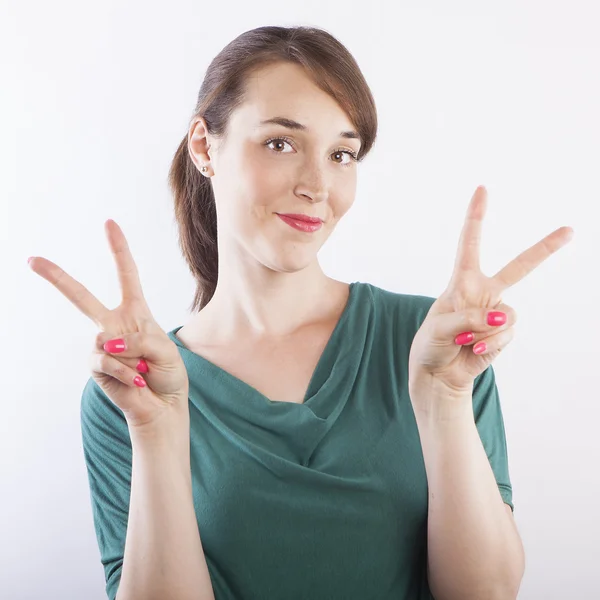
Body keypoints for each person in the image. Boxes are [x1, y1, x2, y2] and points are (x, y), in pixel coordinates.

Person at [31, 25, 544, 600]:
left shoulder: (435, 344)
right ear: (204, 147)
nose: (317, 185)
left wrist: (445, 399)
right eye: (281, 143)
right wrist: (156, 430)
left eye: (341, 154)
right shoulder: (130, 389)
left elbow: (488, 593)